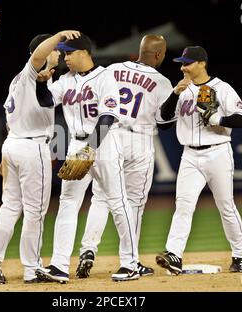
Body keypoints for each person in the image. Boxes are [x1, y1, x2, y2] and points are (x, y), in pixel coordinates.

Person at [35, 33, 139, 283]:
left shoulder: (105, 77)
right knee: (68, 203)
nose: (65, 57)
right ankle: (59, 265)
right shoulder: (65, 80)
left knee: (117, 201)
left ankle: (131, 263)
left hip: (103, 143)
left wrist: (89, 150)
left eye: (69, 53)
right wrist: (41, 82)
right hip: (75, 142)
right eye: (64, 53)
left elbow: (108, 116)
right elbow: (46, 101)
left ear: (84, 52)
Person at [0, 31, 80, 284]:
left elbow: (11, 116)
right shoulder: (29, 73)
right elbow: (37, 54)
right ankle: (31, 268)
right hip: (32, 147)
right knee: (35, 212)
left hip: (14, 143)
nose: (60, 53)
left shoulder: (21, 80)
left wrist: (9, 151)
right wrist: (57, 35)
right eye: (57, 49)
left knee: (10, 206)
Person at [75, 35, 176, 278]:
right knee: (133, 204)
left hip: (111, 134)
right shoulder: (162, 82)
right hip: (139, 140)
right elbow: (164, 124)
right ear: (159, 55)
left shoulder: (112, 69)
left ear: (140, 50)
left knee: (101, 198)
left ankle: (88, 250)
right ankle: (130, 261)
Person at [155, 46, 242, 274]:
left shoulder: (222, 88)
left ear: (201, 63)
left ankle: (240, 254)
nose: (182, 67)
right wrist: (175, 93)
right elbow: (164, 119)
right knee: (183, 206)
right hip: (189, 154)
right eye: (182, 63)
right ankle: (174, 254)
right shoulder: (183, 90)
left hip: (218, 152)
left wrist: (220, 118)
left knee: (226, 206)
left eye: (187, 63)